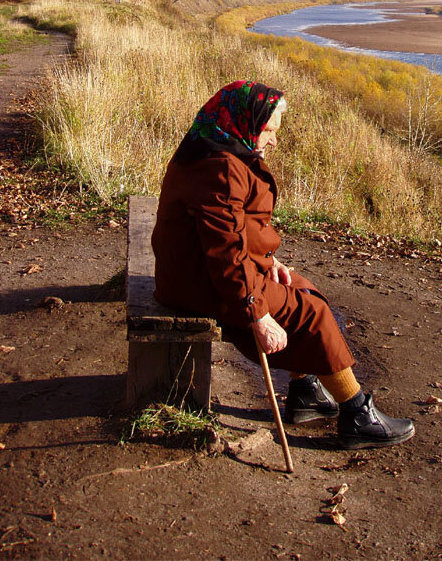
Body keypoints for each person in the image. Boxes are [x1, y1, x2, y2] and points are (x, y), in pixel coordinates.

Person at [152, 80, 415, 449]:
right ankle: (356, 415)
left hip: (193, 272)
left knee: (300, 285)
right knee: (310, 313)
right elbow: (224, 251)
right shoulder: (220, 168)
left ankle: (305, 392)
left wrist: (267, 260)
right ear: (244, 121)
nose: (273, 140)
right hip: (201, 283)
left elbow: (237, 231)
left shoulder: (214, 148)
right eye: (268, 130)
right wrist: (256, 314)